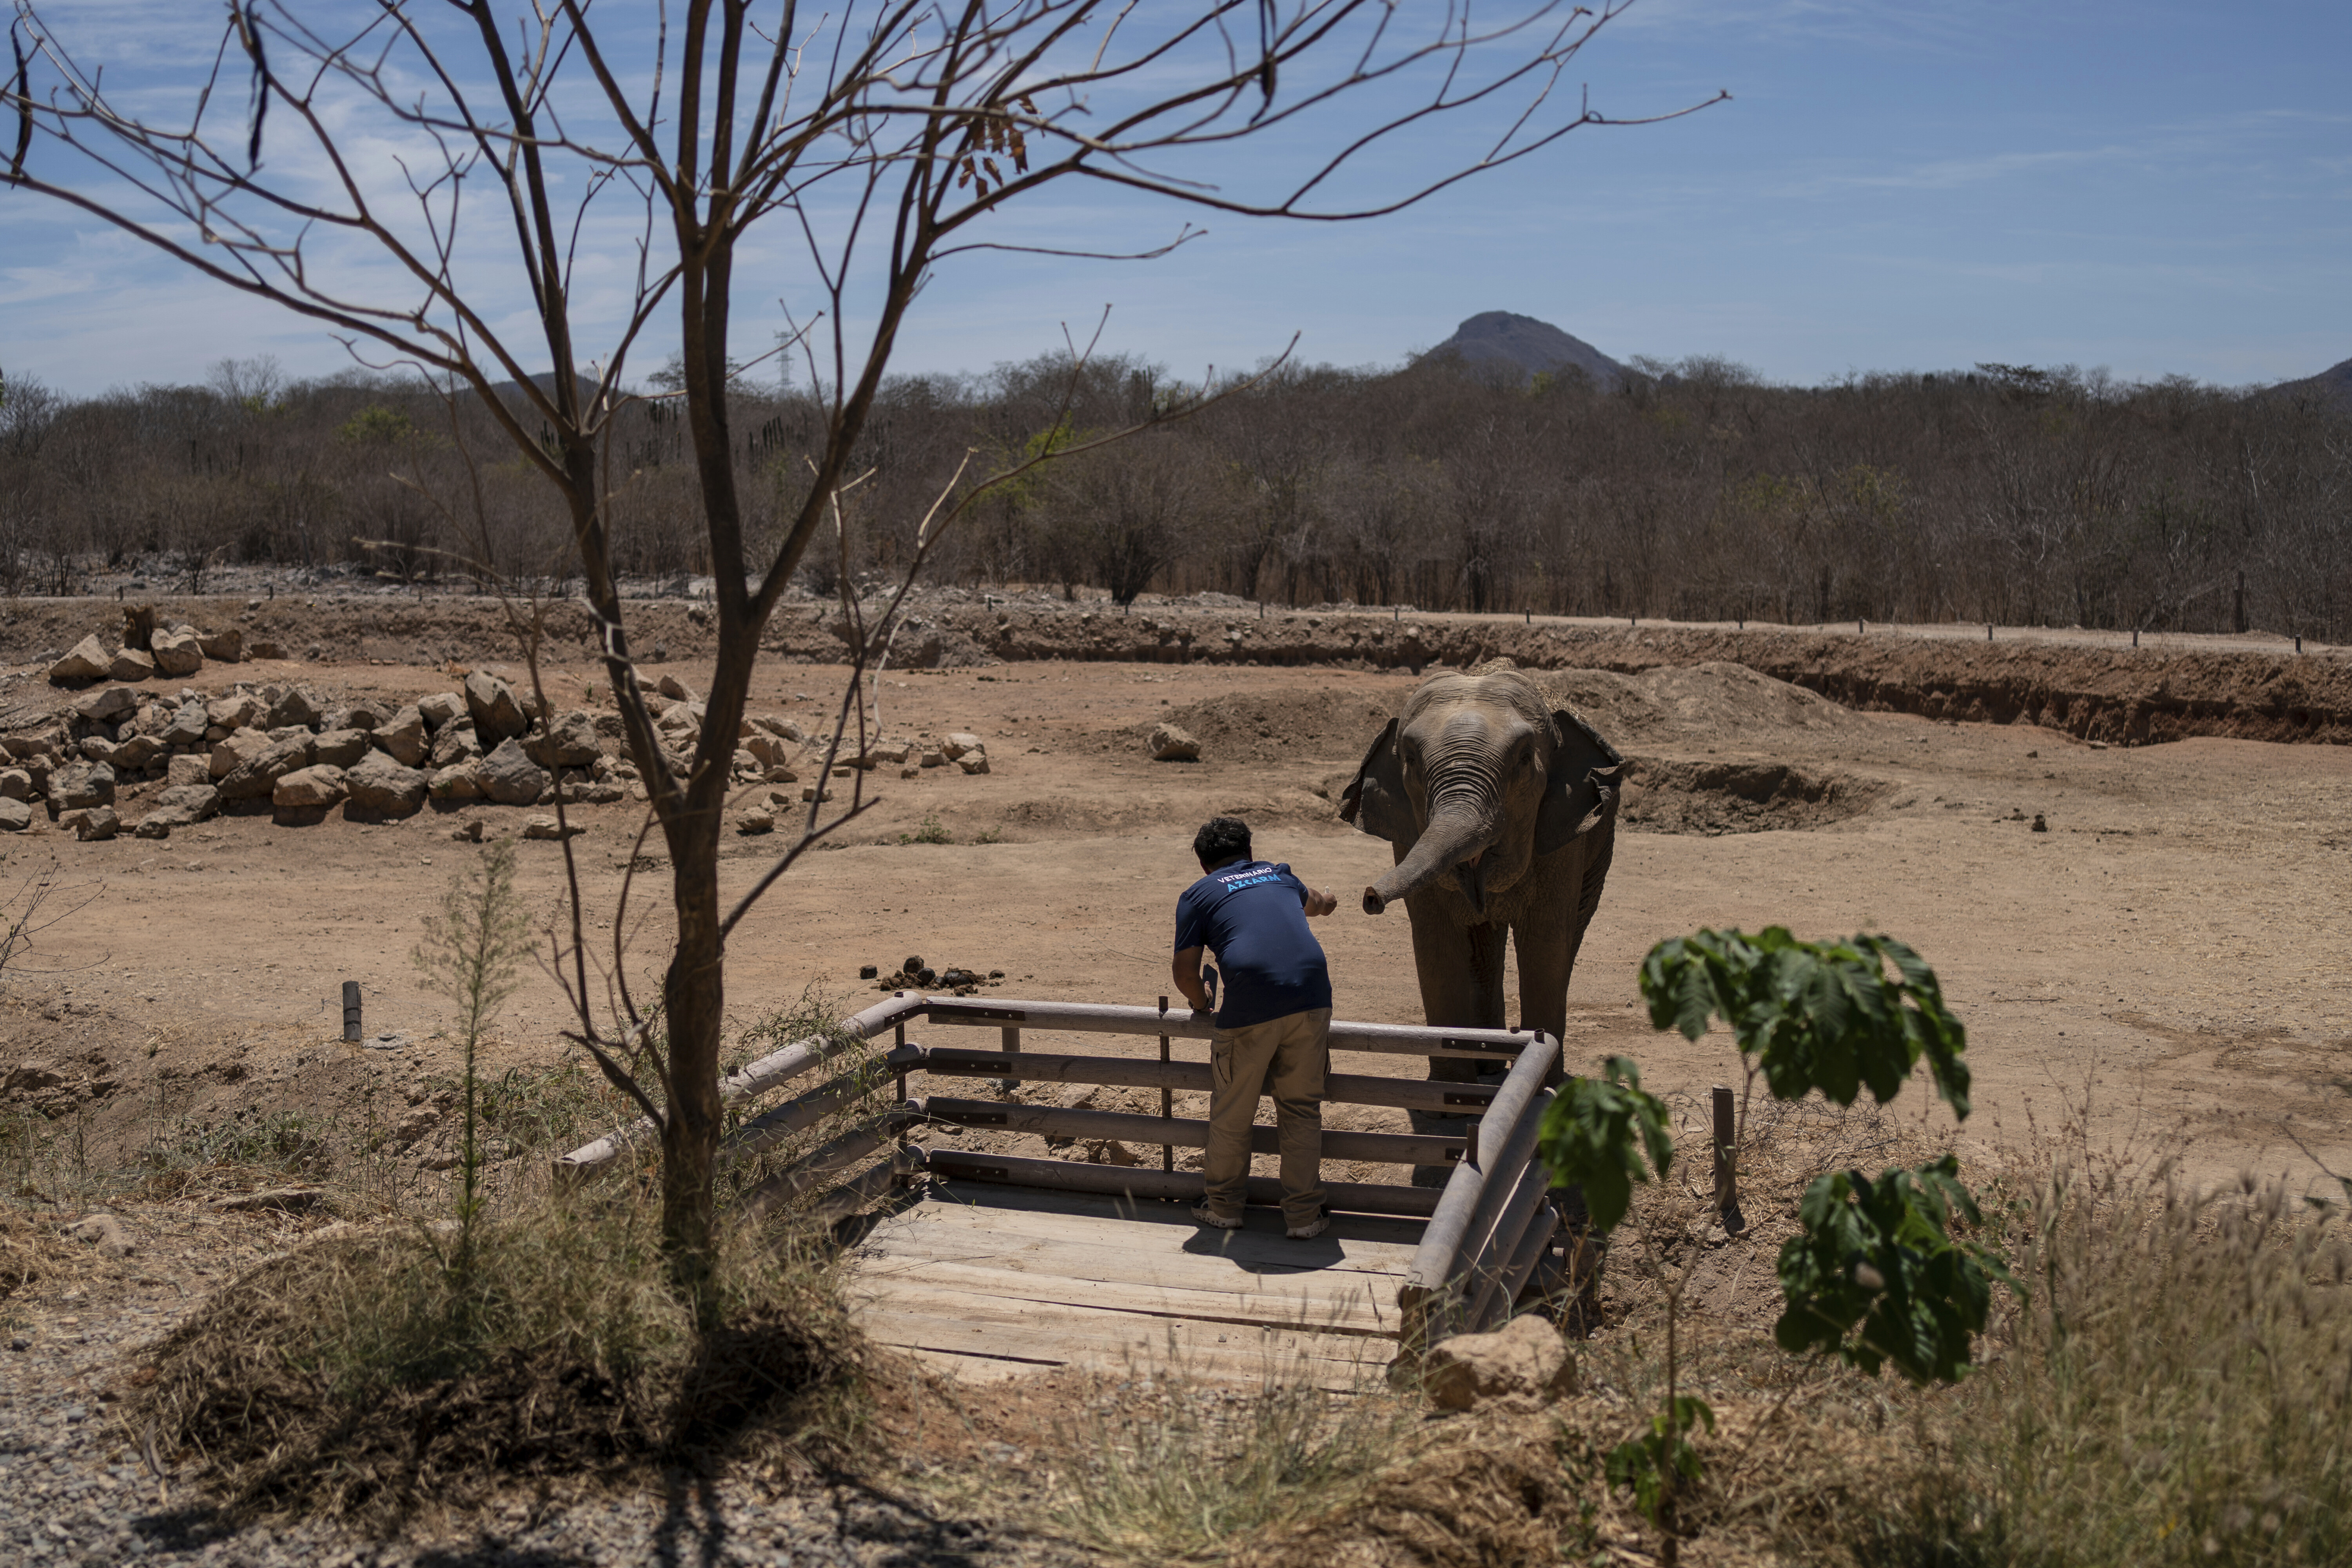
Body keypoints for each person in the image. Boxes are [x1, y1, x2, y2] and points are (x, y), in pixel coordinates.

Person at [1171, 816, 1340, 1240]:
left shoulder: (1198, 894)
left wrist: (1201, 1004)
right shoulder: (1280, 876)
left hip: (1249, 1007)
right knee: (1302, 1109)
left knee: (1234, 1112)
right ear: (1250, 851)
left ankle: (1225, 1206)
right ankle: (1304, 1217)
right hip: (1311, 997)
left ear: (1203, 863)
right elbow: (1316, 901)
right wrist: (1330, 900)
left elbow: (1186, 972)